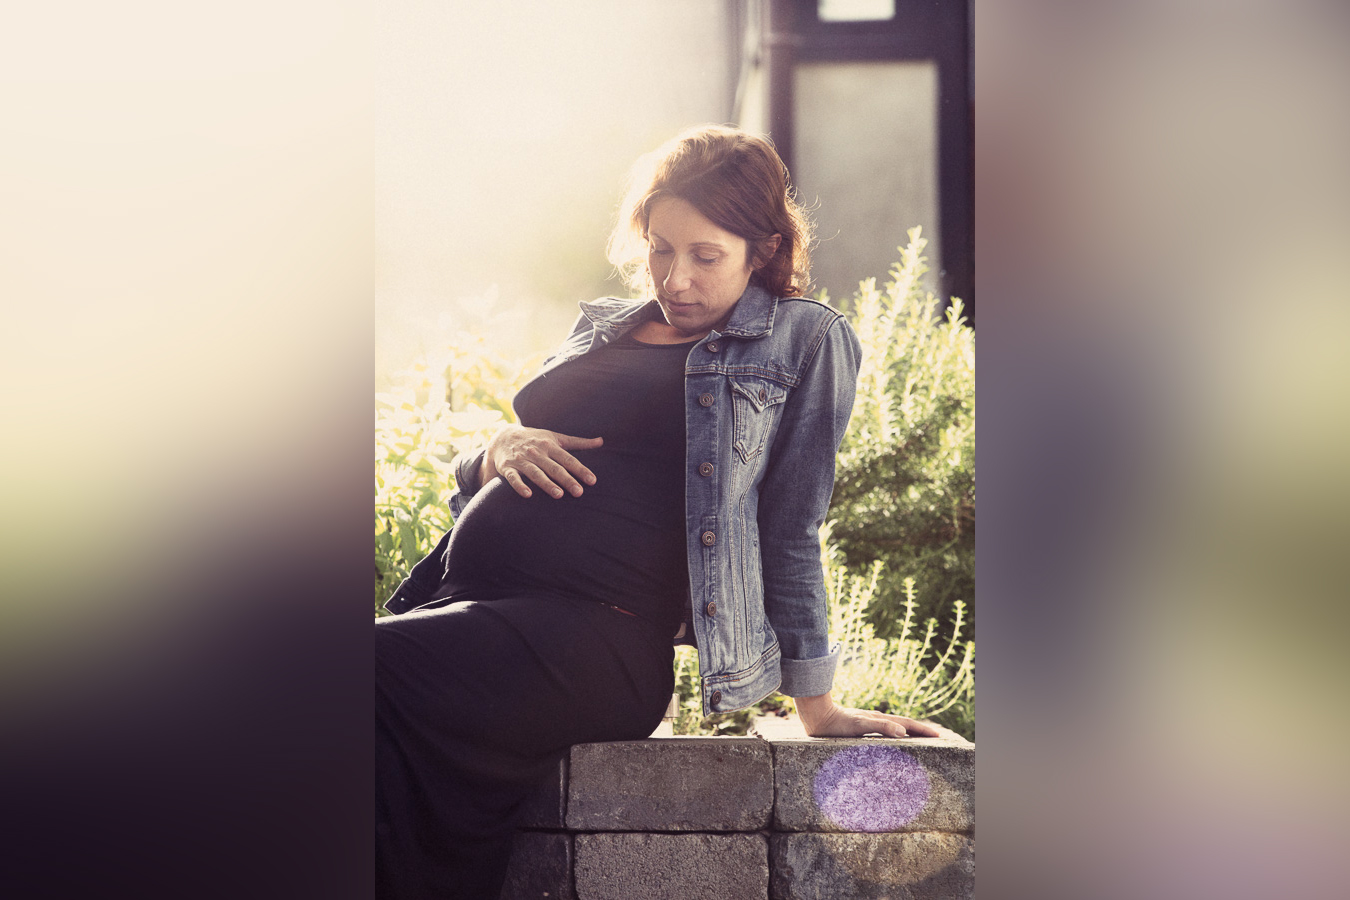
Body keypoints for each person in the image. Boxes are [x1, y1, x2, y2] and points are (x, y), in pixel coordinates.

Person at [375, 124, 939, 899]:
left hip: (596, 638)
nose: (675, 278)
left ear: (763, 249)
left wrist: (819, 703)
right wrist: (490, 452)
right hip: (471, 605)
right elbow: (493, 471)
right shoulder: (601, 324)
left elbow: (791, 523)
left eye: (706, 256)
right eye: (659, 248)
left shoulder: (802, 340)